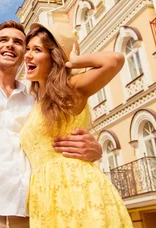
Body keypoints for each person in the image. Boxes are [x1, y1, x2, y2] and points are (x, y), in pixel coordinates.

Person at [0, 20, 102, 228]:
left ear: (25, 53)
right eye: (3, 40)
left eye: (18, 42)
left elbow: (65, 131)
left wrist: (95, 149)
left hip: (38, 215)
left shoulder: (38, 96)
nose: (10, 44)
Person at [20, 22, 132, 227]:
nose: (27, 55)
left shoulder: (71, 88)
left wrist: (74, 61)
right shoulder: (36, 105)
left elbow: (115, 60)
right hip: (45, 196)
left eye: (37, 50)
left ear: (54, 58)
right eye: (27, 49)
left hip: (76, 188)